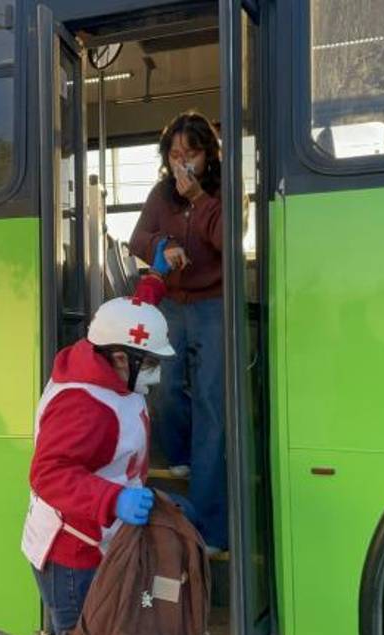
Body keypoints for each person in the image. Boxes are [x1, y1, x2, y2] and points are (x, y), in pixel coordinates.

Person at [22, 295, 175, 635]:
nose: (157, 375)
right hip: (75, 554)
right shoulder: (85, 405)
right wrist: (114, 499)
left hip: (99, 538)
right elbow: (48, 473)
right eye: (150, 363)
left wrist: (152, 285)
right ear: (121, 357)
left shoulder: (105, 362)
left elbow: (130, 316)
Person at [128, 111, 228, 553]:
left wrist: (201, 199)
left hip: (212, 302)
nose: (182, 162)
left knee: (211, 400)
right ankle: (181, 454)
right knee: (166, 386)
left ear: (208, 155)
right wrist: (161, 247)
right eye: (175, 154)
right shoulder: (160, 194)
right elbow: (137, 238)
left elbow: (230, 237)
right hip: (171, 301)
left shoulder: (222, 192)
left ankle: (208, 525)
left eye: (191, 153)